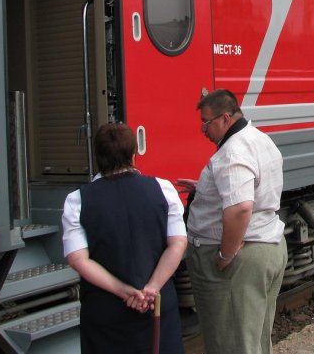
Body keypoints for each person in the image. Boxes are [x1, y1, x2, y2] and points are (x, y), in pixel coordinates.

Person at [62, 123, 187, 354]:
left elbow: (78, 259)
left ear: (98, 157)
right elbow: (178, 243)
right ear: (133, 155)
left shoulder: (77, 201)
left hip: (106, 314)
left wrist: (123, 291)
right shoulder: (163, 189)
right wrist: (151, 288)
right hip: (157, 307)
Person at [182, 89, 286, 354]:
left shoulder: (232, 153)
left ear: (225, 118)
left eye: (206, 122)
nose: (203, 128)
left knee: (231, 344)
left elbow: (240, 207)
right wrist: (206, 188)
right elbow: (249, 187)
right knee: (253, 341)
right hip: (268, 245)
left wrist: (226, 254)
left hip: (238, 263)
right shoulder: (258, 138)